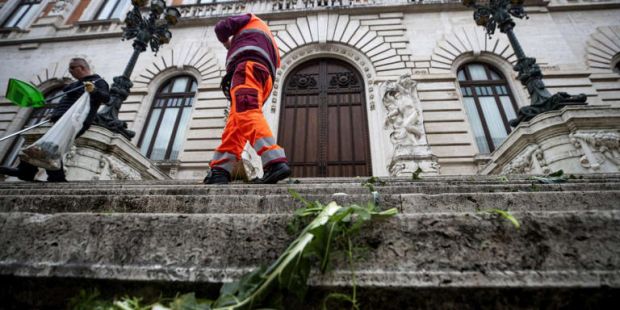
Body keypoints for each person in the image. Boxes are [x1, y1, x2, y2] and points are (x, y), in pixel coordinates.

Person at [204, 13, 290, 184]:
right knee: (237, 121)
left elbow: (221, 28)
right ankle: (220, 170)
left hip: (247, 69)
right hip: (264, 79)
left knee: (246, 112)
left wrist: (228, 44)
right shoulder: (271, 43)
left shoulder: (251, 18)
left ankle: (274, 161)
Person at [0, 58, 110, 182]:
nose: (69, 71)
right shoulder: (73, 85)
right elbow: (65, 102)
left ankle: (37, 173)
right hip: (59, 120)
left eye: (72, 67)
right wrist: (54, 113)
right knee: (49, 145)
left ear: (82, 68)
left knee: (50, 144)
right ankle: (34, 172)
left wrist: (93, 90)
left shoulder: (98, 81)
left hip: (76, 121)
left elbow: (106, 98)